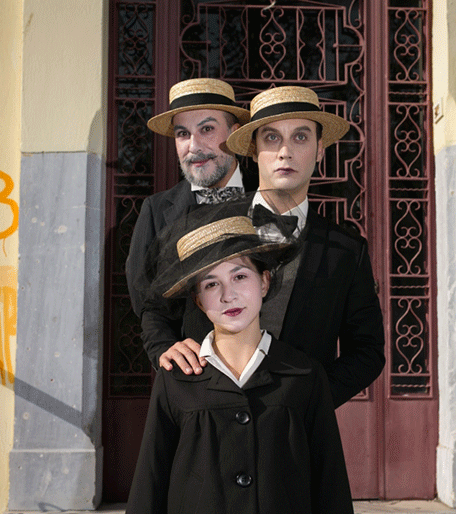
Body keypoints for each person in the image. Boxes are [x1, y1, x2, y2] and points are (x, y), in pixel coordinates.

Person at [152, 85, 386, 407]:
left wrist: (313, 399)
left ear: (320, 150)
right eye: (272, 138)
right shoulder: (198, 225)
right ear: (253, 149)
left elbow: (367, 351)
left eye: (300, 137)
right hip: (204, 418)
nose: (285, 152)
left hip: (298, 431)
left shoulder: (347, 250)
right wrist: (164, 347)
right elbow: (155, 308)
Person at [126, 202, 354, 514]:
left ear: (265, 281)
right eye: (211, 284)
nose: (227, 295)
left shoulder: (304, 375)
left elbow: (331, 486)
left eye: (240, 276)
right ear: (198, 300)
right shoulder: (176, 379)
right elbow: (150, 482)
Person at [125, 77, 252, 373]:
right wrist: (164, 347)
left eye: (207, 129)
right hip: (193, 381)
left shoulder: (270, 199)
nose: (193, 146)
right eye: (183, 134)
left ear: (234, 133)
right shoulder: (156, 211)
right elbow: (147, 303)